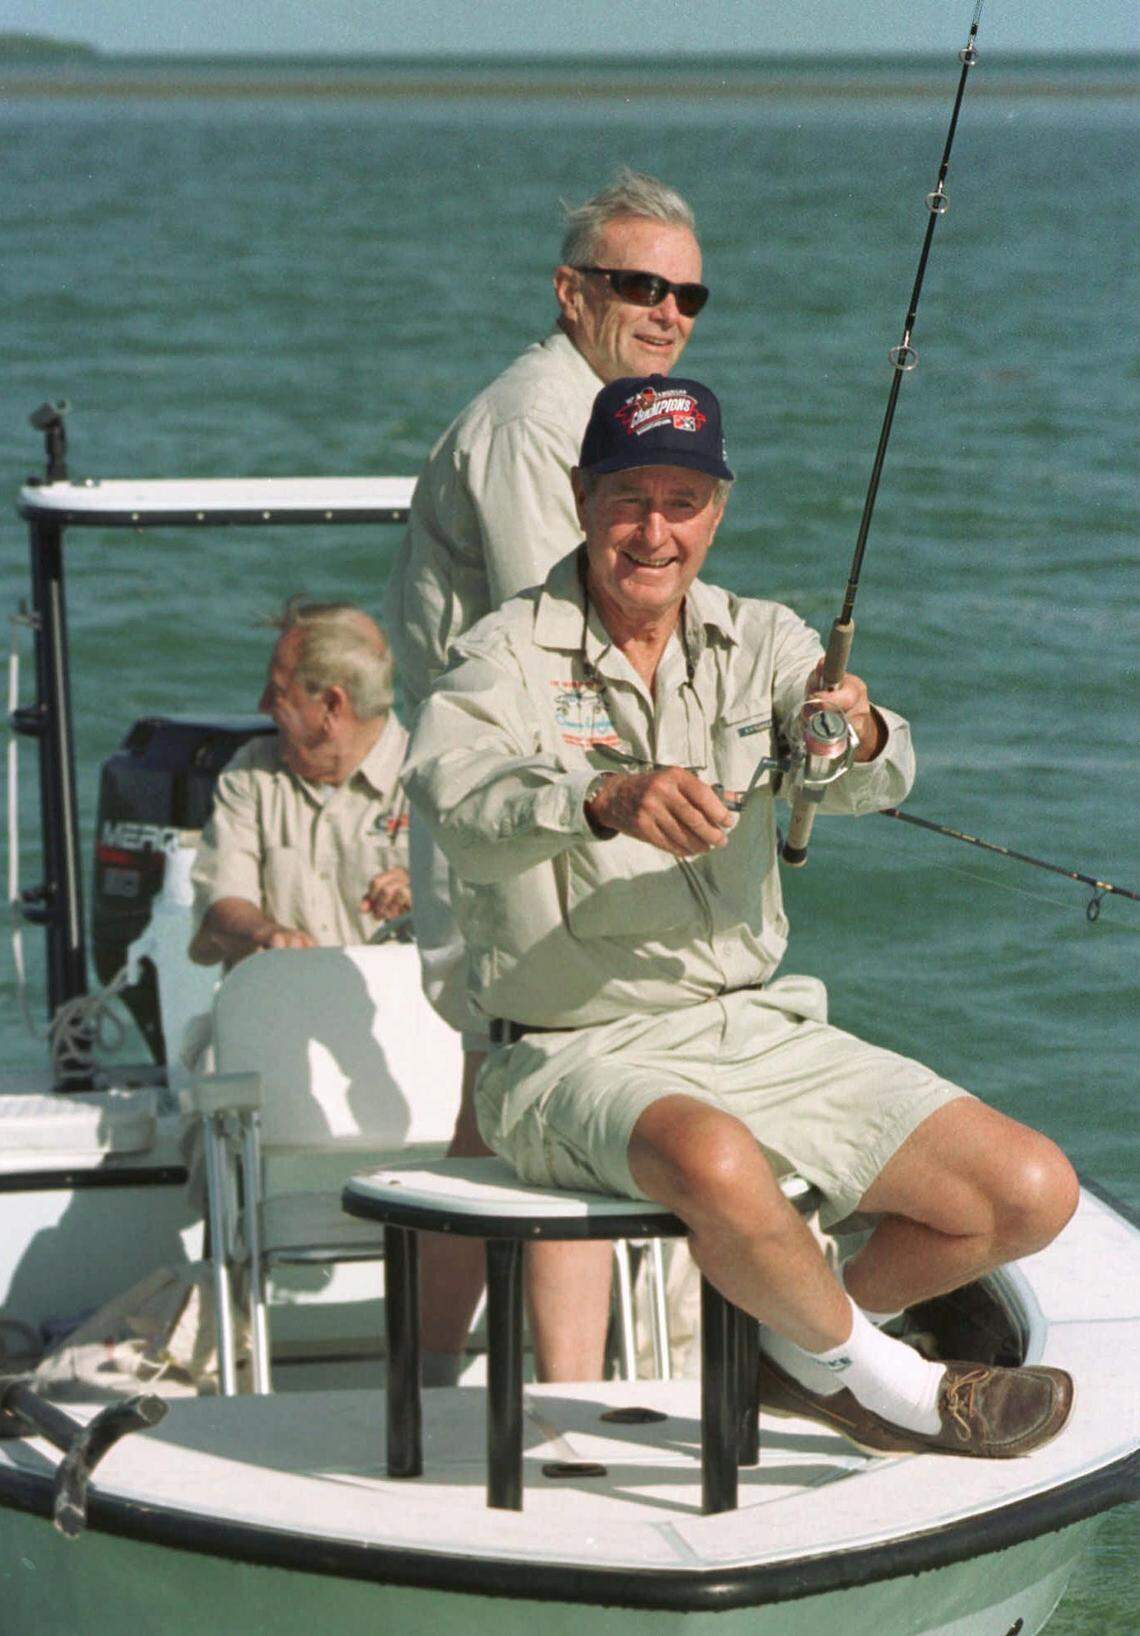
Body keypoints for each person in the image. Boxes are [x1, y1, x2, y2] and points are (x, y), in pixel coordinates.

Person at [401, 374, 1078, 1458]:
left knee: (1029, 1190)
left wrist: (851, 734)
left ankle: (795, 1349)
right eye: (628, 499)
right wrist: (597, 796)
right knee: (718, 1159)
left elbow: (874, 768)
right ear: (581, 498)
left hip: (748, 1029)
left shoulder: (762, 638)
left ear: (718, 510)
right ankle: (897, 1386)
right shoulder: (503, 653)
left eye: (682, 500)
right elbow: (455, 797)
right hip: (563, 1055)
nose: (653, 530)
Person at [385, 169, 708, 1382]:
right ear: (572, 292)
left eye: (687, 293)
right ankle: (572, 1404)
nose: (668, 311)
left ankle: (421, 1377)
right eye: (639, 285)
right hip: (523, 819)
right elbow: (567, 639)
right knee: (559, 1085)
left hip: (540, 810)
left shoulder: (596, 416)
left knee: (500, 1103)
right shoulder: (543, 426)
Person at [190, 600, 410, 968]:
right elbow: (220, 905)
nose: (262, 706)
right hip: (279, 1008)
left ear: (331, 704)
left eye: (276, 692)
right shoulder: (252, 773)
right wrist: (265, 934)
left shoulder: (428, 778)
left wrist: (427, 893)